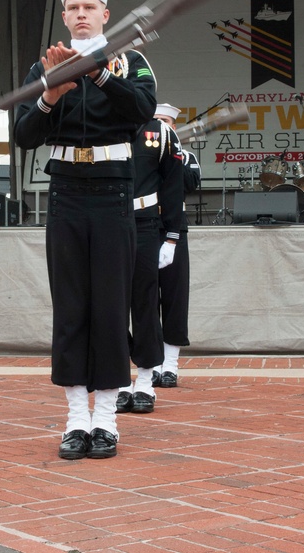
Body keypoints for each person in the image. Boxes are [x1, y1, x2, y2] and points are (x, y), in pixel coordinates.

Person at [14, 0, 156, 459]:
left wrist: (97, 75)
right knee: (71, 305)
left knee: (112, 306)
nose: (80, 14)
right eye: (72, 7)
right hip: (67, 192)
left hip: (114, 191)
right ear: (65, 16)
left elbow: (143, 111)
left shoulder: (130, 62)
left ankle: (107, 420)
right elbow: (24, 135)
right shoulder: (46, 64)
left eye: (88, 7)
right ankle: (76, 417)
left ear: (104, 15)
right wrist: (52, 91)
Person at [116, 103, 184, 415]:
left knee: (144, 304)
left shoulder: (160, 133)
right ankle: (116, 381)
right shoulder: (103, 125)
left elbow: (173, 187)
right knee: (110, 307)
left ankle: (144, 381)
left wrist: (171, 235)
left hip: (144, 223)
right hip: (108, 222)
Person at [152, 104, 201, 388]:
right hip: (145, 226)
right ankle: (153, 363)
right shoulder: (140, 151)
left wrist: (176, 155)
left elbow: (190, 184)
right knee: (145, 299)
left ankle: (170, 365)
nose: (162, 124)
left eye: (166, 120)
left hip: (174, 230)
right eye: (157, 120)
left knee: (174, 297)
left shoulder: (186, 155)